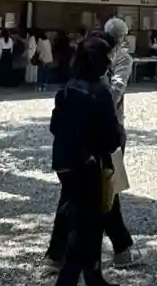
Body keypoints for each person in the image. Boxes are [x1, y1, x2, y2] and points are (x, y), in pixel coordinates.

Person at [47, 17, 140, 270]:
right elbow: (114, 101)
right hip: (95, 147)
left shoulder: (68, 89)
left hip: (67, 152)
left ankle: (57, 254)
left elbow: (55, 125)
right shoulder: (103, 87)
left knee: (74, 196)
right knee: (106, 193)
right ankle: (118, 250)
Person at [47, 37, 124, 286]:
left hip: (65, 162)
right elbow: (111, 137)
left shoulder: (68, 89)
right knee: (85, 231)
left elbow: (55, 126)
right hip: (89, 166)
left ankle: (95, 282)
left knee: (89, 223)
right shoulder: (100, 93)